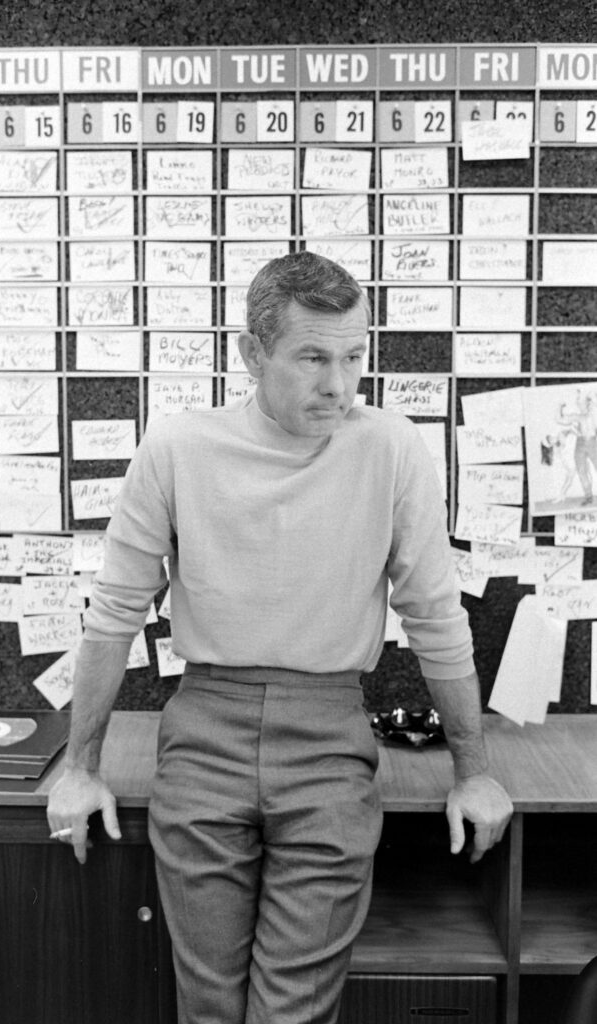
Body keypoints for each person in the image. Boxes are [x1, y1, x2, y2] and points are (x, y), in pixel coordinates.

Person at [47, 251, 513, 1024]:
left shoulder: (391, 447)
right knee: (208, 1005)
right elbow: (115, 612)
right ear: (253, 353)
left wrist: (473, 771)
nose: (338, 383)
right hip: (203, 729)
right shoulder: (178, 447)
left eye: (354, 356)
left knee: (290, 1011)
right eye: (312, 358)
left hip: (330, 730)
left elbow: (435, 615)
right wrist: (80, 765)